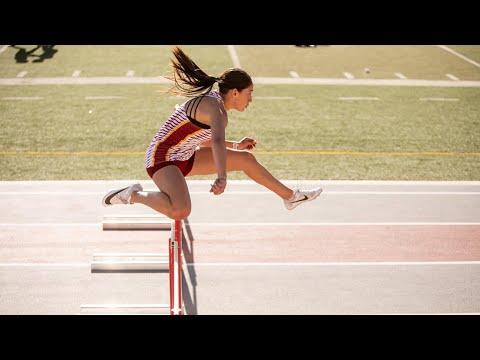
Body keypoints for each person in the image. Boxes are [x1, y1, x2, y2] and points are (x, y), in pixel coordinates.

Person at [102, 46, 322, 219]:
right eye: (250, 93)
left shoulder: (217, 107)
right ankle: (133, 195)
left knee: (246, 159)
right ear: (235, 92)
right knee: (180, 211)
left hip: (185, 156)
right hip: (162, 158)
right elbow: (215, 142)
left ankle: (291, 197)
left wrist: (236, 145)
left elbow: (202, 140)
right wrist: (222, 177)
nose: (251, 99)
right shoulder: (213, 108)